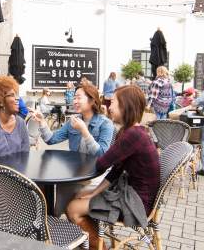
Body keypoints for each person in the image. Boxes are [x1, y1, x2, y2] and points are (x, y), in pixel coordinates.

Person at [66, 85, 160, 250]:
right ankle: (95, 240)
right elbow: (116, 170)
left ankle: (98, 246)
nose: (109, 107)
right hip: (132, 193)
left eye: (113, 102)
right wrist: (93, 192)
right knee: (80, 195)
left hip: (137, 203)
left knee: (72, 208)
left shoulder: (132, 135)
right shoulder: (133, 131)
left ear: (125, 105)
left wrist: (84, 132)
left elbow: (101, 163)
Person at [30, 82, 114, 216]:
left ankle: (63, 225)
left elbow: (102, 155)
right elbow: (51, 140)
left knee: (61, 205)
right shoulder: (72, 122)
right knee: (50, 200)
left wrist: (85, 132)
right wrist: (42, 122)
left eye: (79, 97)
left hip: (95, 175)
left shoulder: (106, 124)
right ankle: (53, 225)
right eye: (74, 97)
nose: (75, 101)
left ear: (92, 100)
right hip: (74, 174)